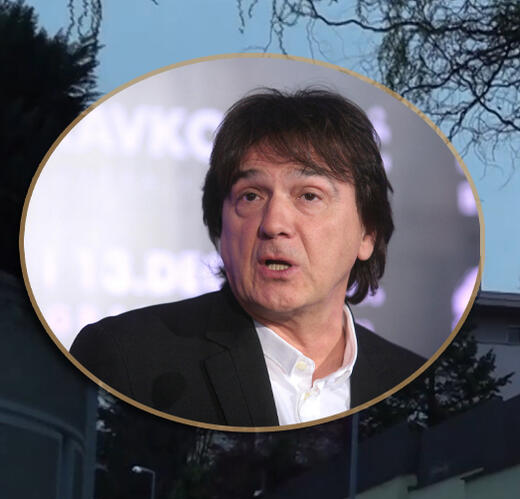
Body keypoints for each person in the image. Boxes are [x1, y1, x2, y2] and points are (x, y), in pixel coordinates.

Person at [71, 88, 424, 427]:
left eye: (309, 196)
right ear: (220, 227)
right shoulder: (125, 358)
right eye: (251, 196)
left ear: (367, 234)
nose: (274, 224)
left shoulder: (417, 383)